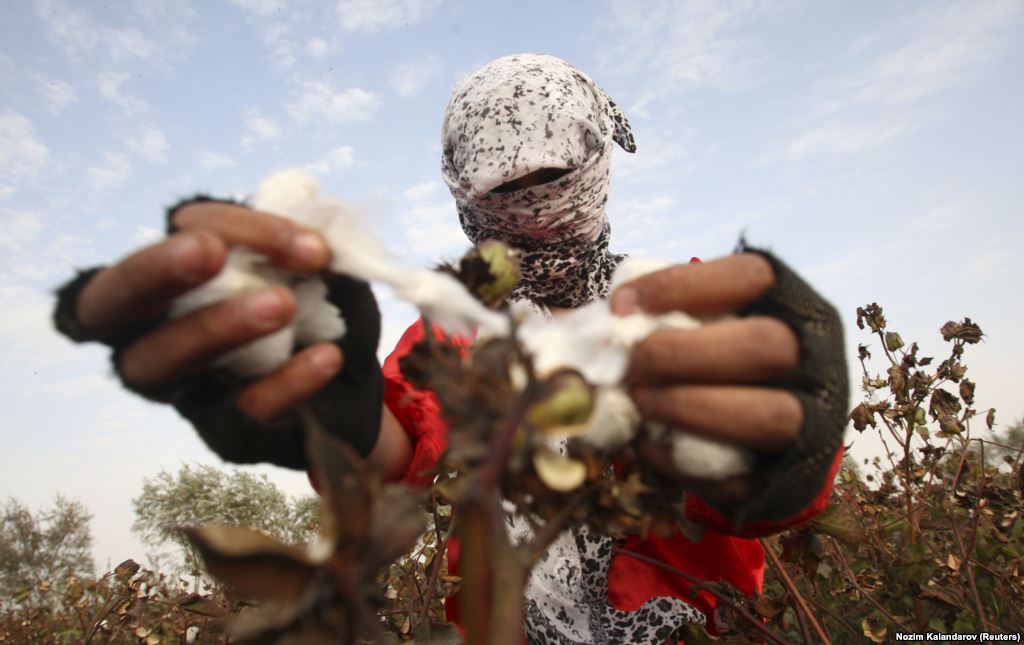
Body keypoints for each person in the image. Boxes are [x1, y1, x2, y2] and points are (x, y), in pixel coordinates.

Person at [54, 54, 847, 643]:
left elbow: (769, 458)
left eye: (548, 174)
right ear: (464, 197)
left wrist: (786, 462)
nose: (528, 205)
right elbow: (397, 437)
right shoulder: (455, 335)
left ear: (596, 161)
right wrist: (326, 406)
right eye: (502, 187)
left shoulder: (688, 308)